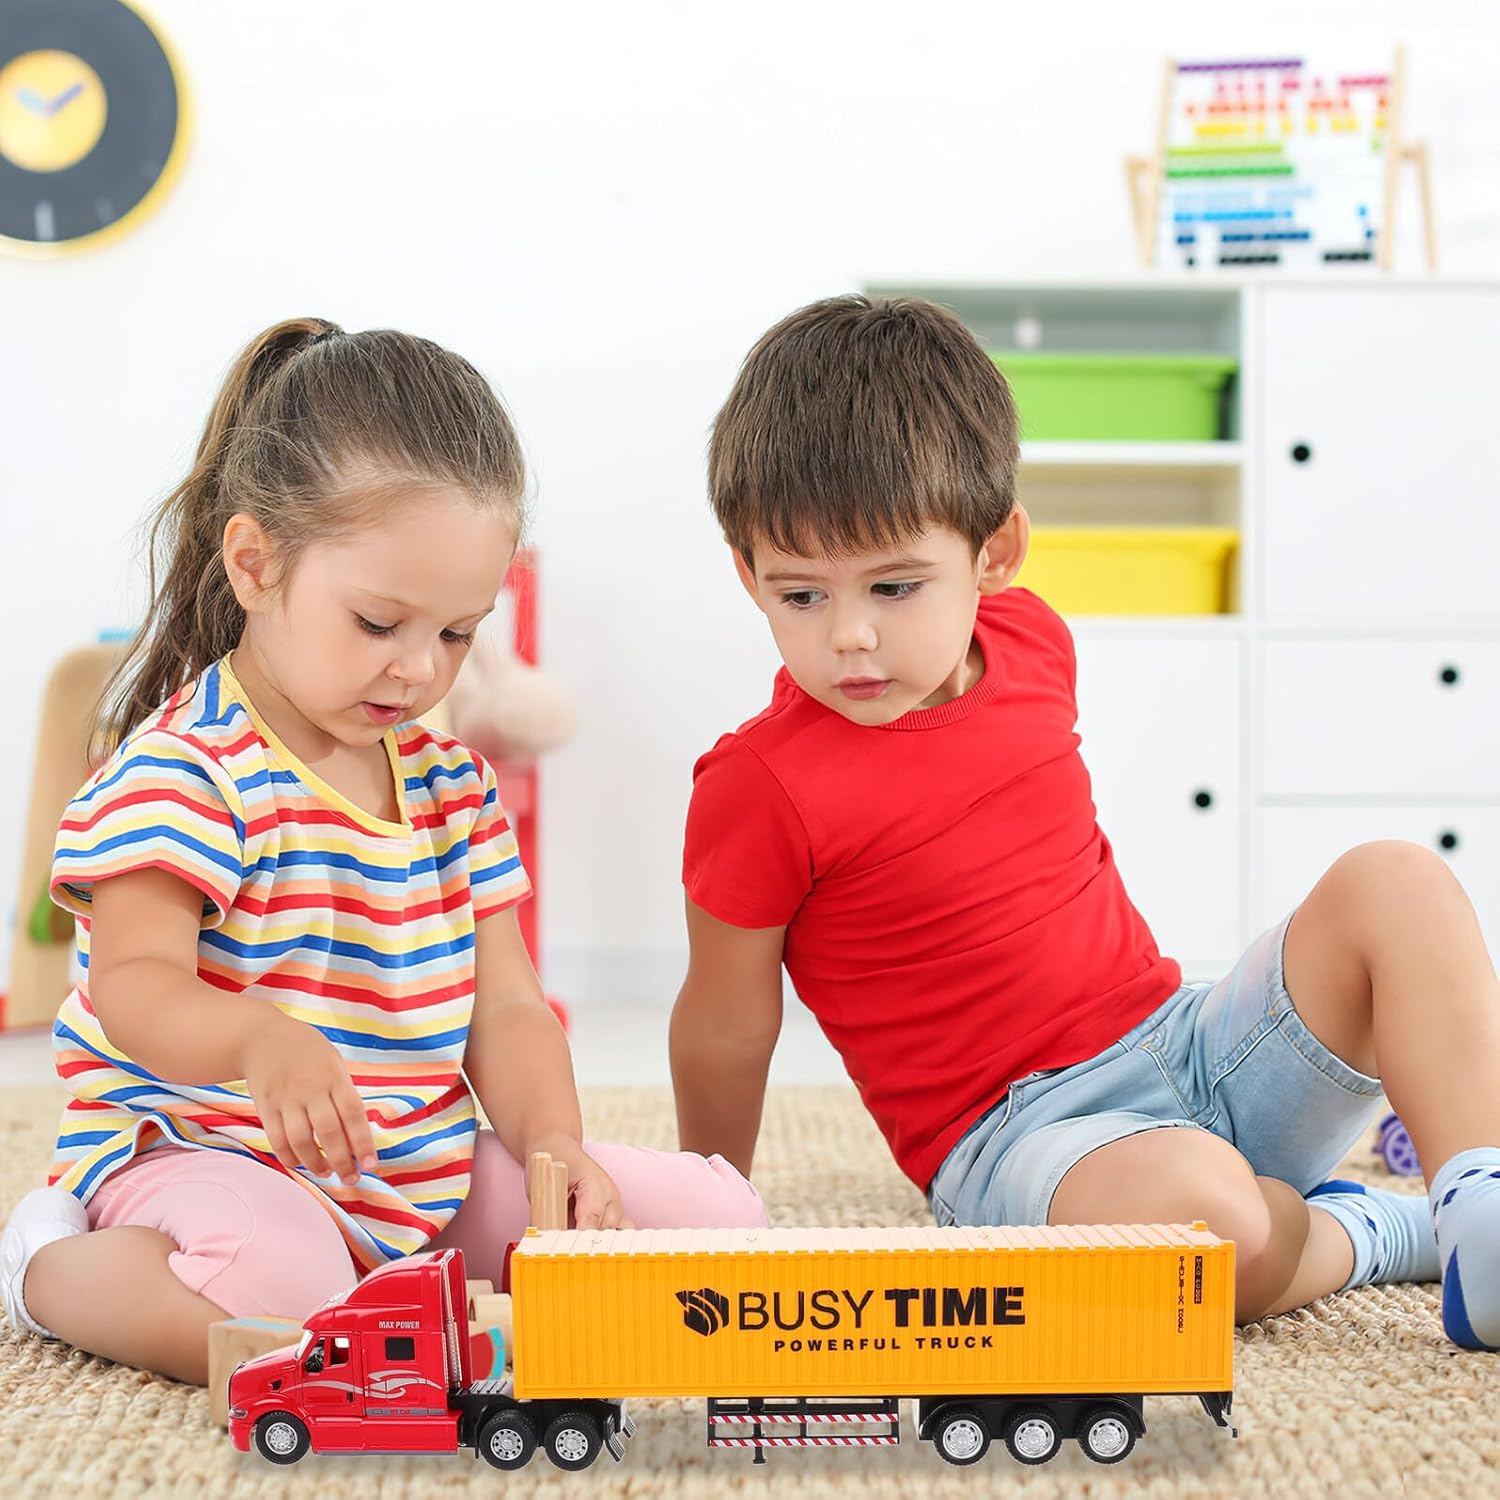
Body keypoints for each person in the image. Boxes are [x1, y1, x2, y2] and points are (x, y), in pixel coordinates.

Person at [671, 293, 1500, 1351]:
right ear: (746, 573)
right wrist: (709, 1212)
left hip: (1188, 1041)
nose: (851, 637)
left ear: (996, 553)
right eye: (801, 597)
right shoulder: (759, 785)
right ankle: (1372, 1231)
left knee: (1399, 880)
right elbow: (726, 1023)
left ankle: (1480, 1203)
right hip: (1020, 1138)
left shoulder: (1031, 642)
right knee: (1209, 1229)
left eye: (895, 586)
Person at [0, 318, 765, 1385]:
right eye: (378, 623)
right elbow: (132, 985)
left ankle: (388, 1289)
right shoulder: (185, 771)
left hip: (412, 1179)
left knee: (718, 1224)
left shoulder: (452, 789)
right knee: (288, 1291)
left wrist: (553, 1146)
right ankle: (47, 1268)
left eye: (456, 633)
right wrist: (258, 1040)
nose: (418, 669)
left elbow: (508, 1007)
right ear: (255, 564)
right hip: (202, 1157)